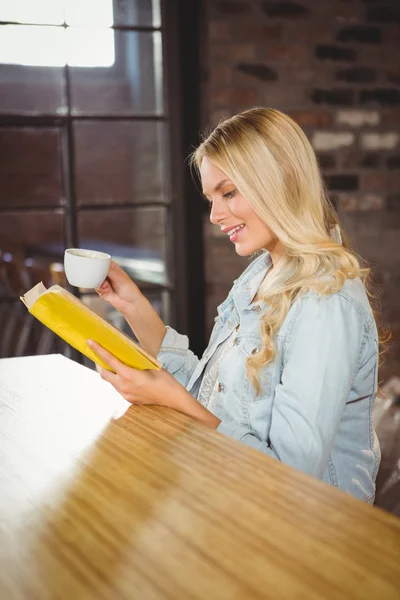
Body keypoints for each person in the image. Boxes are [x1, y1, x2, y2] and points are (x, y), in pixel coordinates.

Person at [88, 107, 381, 503]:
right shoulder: (261, 272)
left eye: (228, 193)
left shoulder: (325, 301)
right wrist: (134, 307)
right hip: (233, 497)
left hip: (308, 535)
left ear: (279, 182)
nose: (214, 216)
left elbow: (290, 474)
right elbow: (215, 393)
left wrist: (169, 397)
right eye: (211, 198)